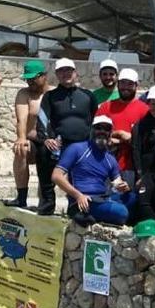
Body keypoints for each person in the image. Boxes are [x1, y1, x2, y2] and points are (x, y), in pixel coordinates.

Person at [38, 58, 99, 213]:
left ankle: (78, 205)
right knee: (43, 152)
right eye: (62, 71)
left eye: (69, 70)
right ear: (57, 74)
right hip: (60, 144)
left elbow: (95, 120)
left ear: (75, 72)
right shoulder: (50, 96)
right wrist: (46, 138)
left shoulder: (87, 96)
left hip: (82, 145)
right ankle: (47, 203)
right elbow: (42, 119)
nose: (66, 74)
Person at [52, 116, 132, 226]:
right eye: (99, 128)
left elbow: (117, 182)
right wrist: (78, 195)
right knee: (121, 212)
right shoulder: (77, 149)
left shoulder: (110, 158)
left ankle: (92, 216)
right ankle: (80, 213)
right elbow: (56, 176)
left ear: (110, 133)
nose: (102, 132)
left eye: (106, 129)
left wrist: (122, 186)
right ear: (92, 130)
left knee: (133, 198)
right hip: (83, 200)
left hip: (102, 198)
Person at [3, 60, 52, 212]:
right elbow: (22, 119)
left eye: (33, 78)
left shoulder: (54, 94)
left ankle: (44, 201)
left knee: (48, 161)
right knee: (20, 149)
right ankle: (21, 197)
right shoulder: (24, 94)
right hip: (32, 139)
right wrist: (21, 138)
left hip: (50, 142)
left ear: (43, 76)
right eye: (27, 79)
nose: (30, 82)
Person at [96, 68, 150, 187]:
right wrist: (119, 135)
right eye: (123, 83)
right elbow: (94, 134)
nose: (125, 87)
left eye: (130, 84)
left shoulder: (145, 110)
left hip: (130, 168)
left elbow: (148, 140)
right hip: (104, 165)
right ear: (118, 83)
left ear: (136, 85)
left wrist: (130, 138)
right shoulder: (106, 107)